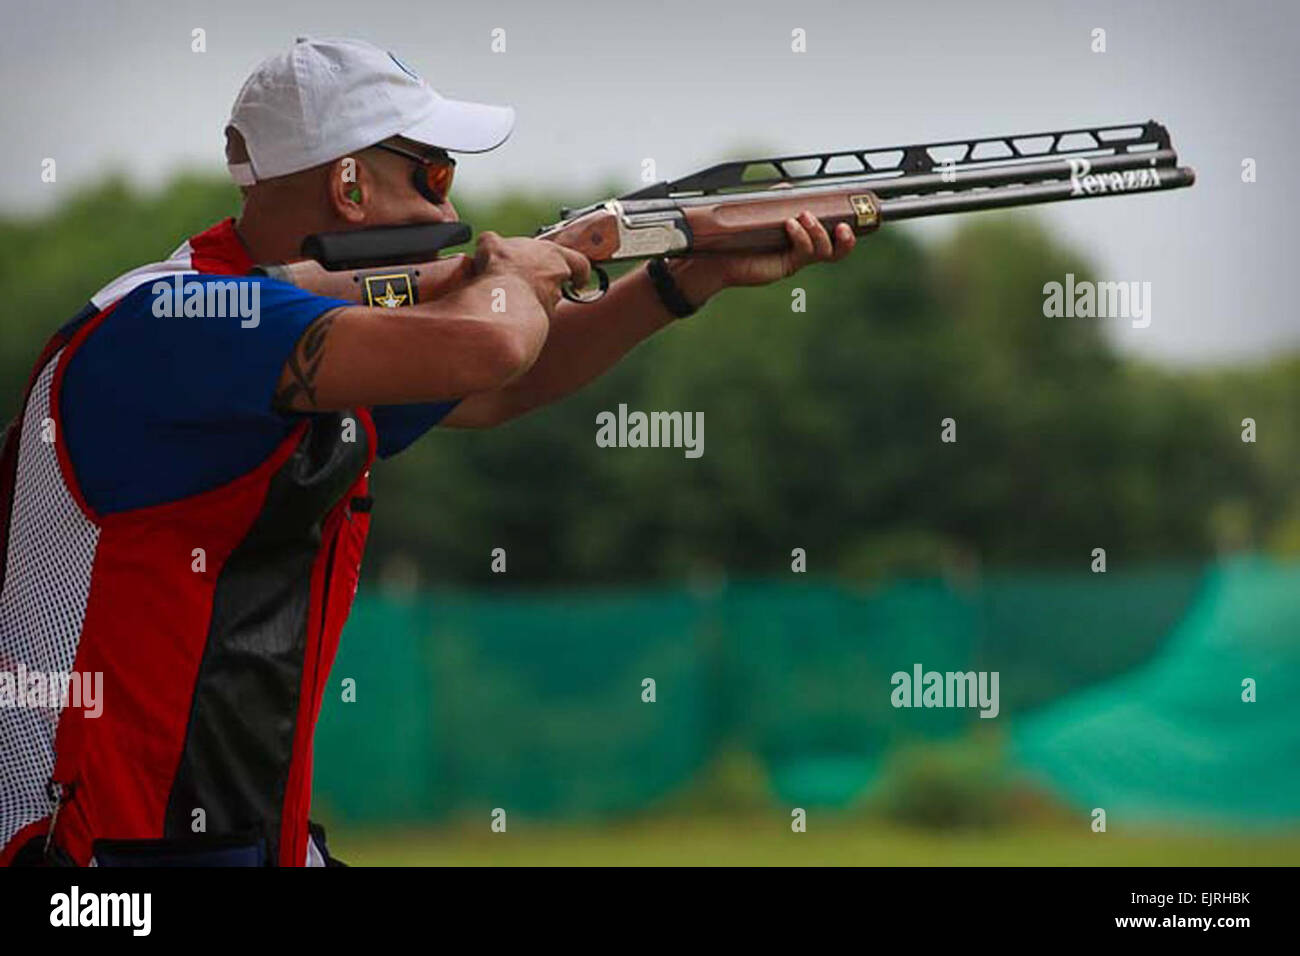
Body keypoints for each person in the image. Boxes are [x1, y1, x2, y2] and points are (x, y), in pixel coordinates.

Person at [0, 36, 855, 867]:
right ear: (346, 183)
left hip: (232, 838)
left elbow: (499, 388)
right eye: (434, 174)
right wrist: (505, 275)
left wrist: (681, 277)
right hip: (87, 862)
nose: (450, 212)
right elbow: (492, 350)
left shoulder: (289, 337)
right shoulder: (179, 322)